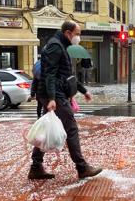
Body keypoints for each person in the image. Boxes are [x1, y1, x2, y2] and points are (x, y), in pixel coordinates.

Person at [29, 20, 102, 180]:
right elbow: (49, 74)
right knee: (71, 128)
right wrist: (52, 98)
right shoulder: (56, 46)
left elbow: (66, 75)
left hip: (54, 92)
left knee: (44, 132)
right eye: (77, 34)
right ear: (68, 33)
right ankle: (82, 168)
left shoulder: (62, 46)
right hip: (54, 94)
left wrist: (83, 90)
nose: (78, 38)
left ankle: (35, 167)